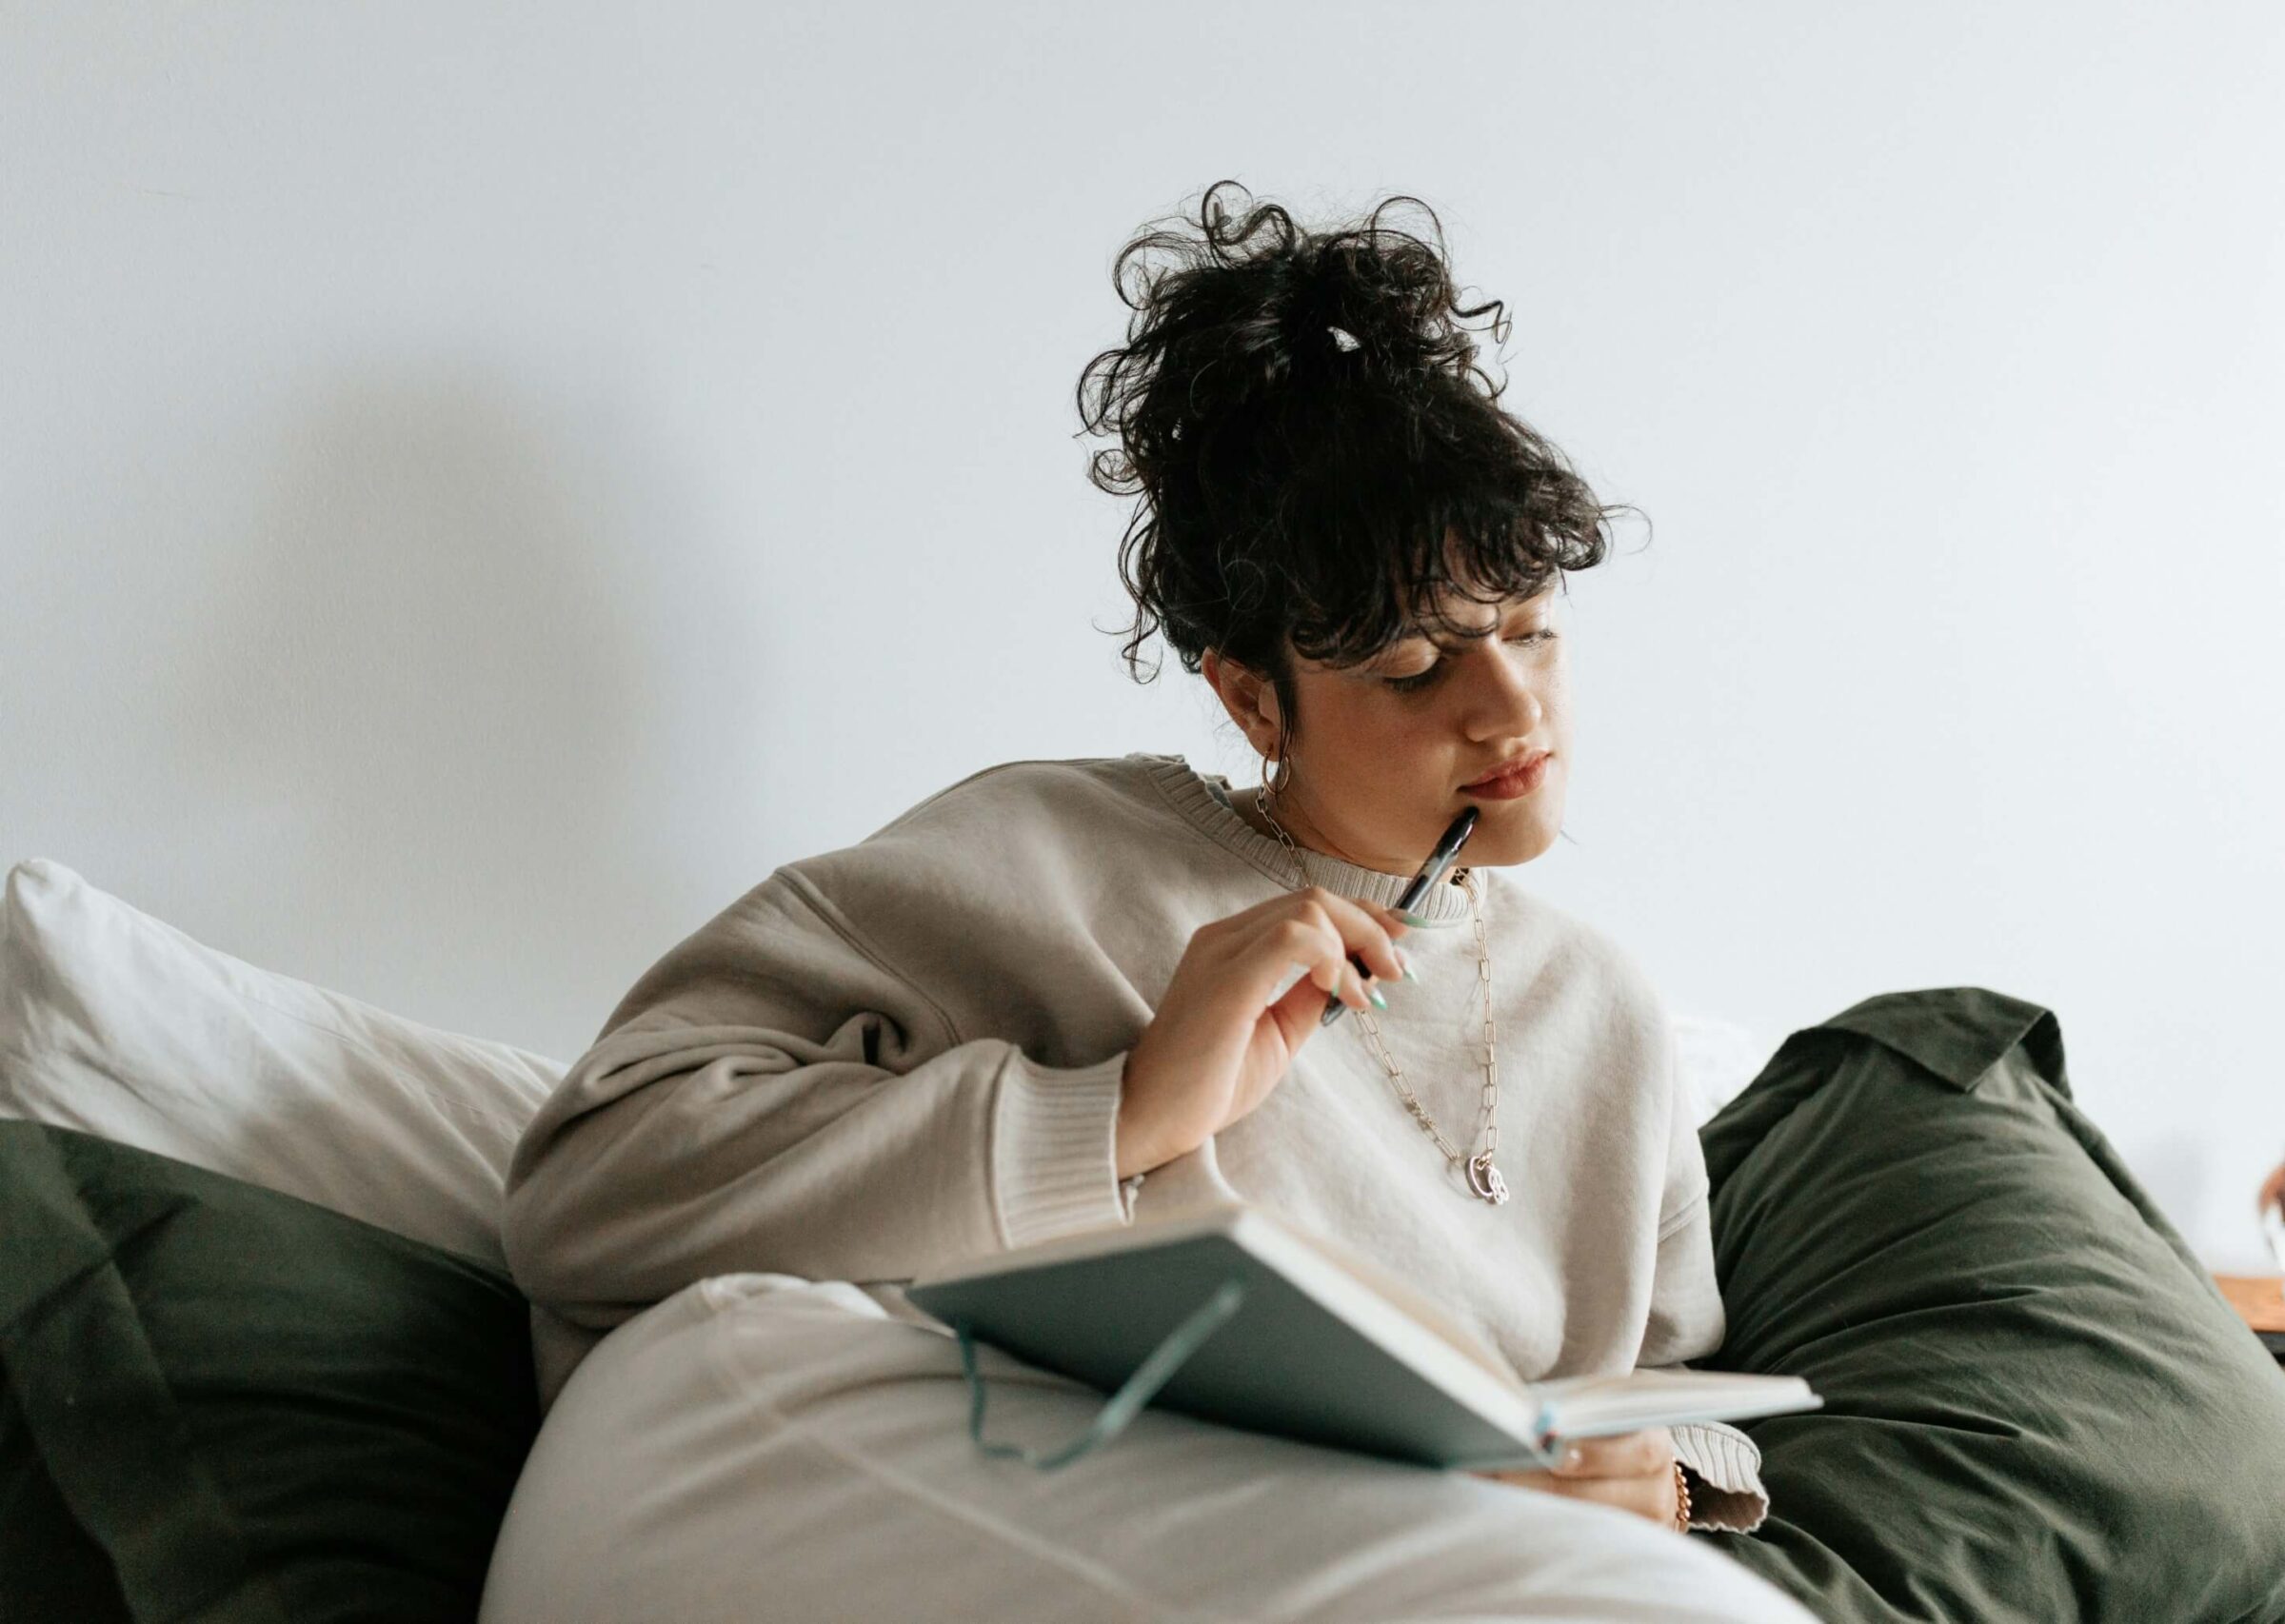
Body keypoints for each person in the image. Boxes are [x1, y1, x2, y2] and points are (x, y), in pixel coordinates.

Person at [487, 182, 1809, 1624]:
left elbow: (1677, 1386)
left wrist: (1665, 1484)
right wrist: (1119, 1114)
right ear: (1253, 698)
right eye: (1416, 667)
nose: (1512, 708)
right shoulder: (1041, 854)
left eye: (1535, 630)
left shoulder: (1606, 1012)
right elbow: (589, 1182)